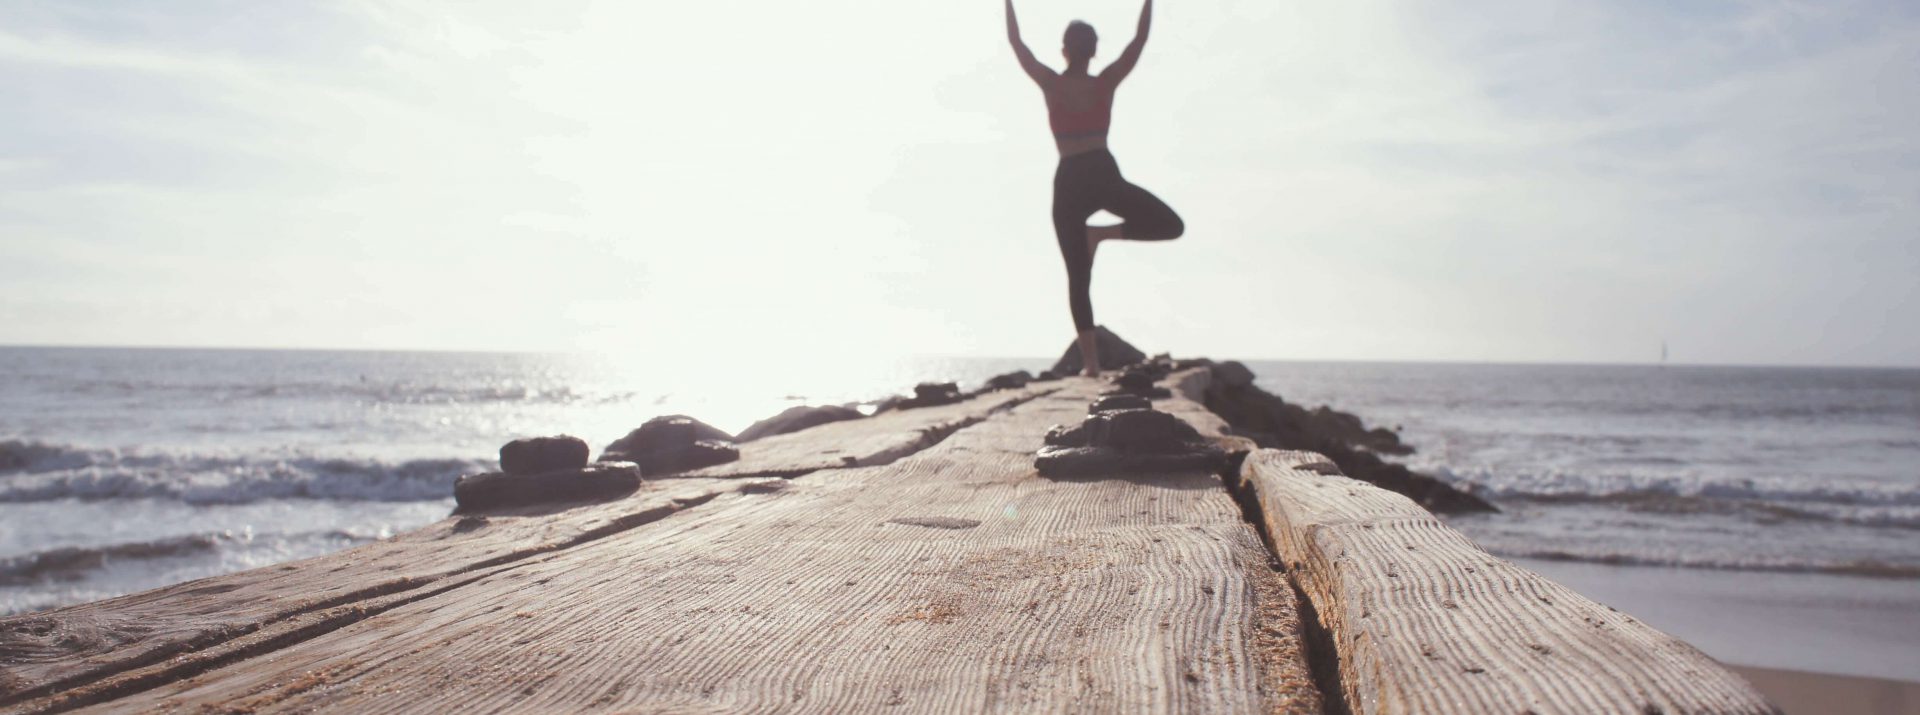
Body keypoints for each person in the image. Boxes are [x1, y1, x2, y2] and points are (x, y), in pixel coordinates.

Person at [1006, 0, 1184, 376]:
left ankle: (1091, 364)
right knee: (1171, 225)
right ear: (1094, 50)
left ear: (1065, 49)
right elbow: (1138, 41)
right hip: (1101, 172)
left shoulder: (1052, 83)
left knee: (1077, 276)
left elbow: (1017, 43)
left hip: (1071, 177)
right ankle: (1102, 235)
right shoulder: (1104, 83)